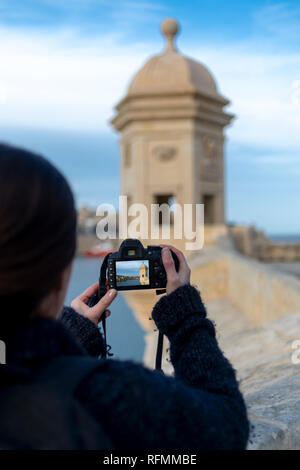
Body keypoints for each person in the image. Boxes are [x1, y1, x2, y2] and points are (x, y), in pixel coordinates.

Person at [0, 142, 249, 450]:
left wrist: (72, 334)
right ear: (59, 274)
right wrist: (185, 317)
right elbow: (225, 428)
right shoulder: (109, 394)